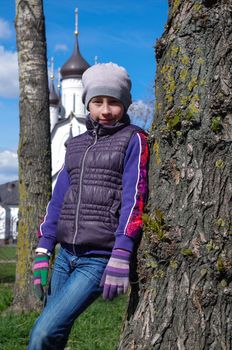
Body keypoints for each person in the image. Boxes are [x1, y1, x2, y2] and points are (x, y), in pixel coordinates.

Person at [28, 62, 149, 350]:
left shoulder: (134, 139)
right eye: (97, 102)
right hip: (64, 255)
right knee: (56, 335)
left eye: (114, 102)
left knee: (42, 334)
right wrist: (43, 249)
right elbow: (58, 199)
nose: (105, 111)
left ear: (125, 104)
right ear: (88, 104)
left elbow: (135, 196)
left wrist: (121, 253)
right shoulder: (75, 144)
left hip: (98, 259)